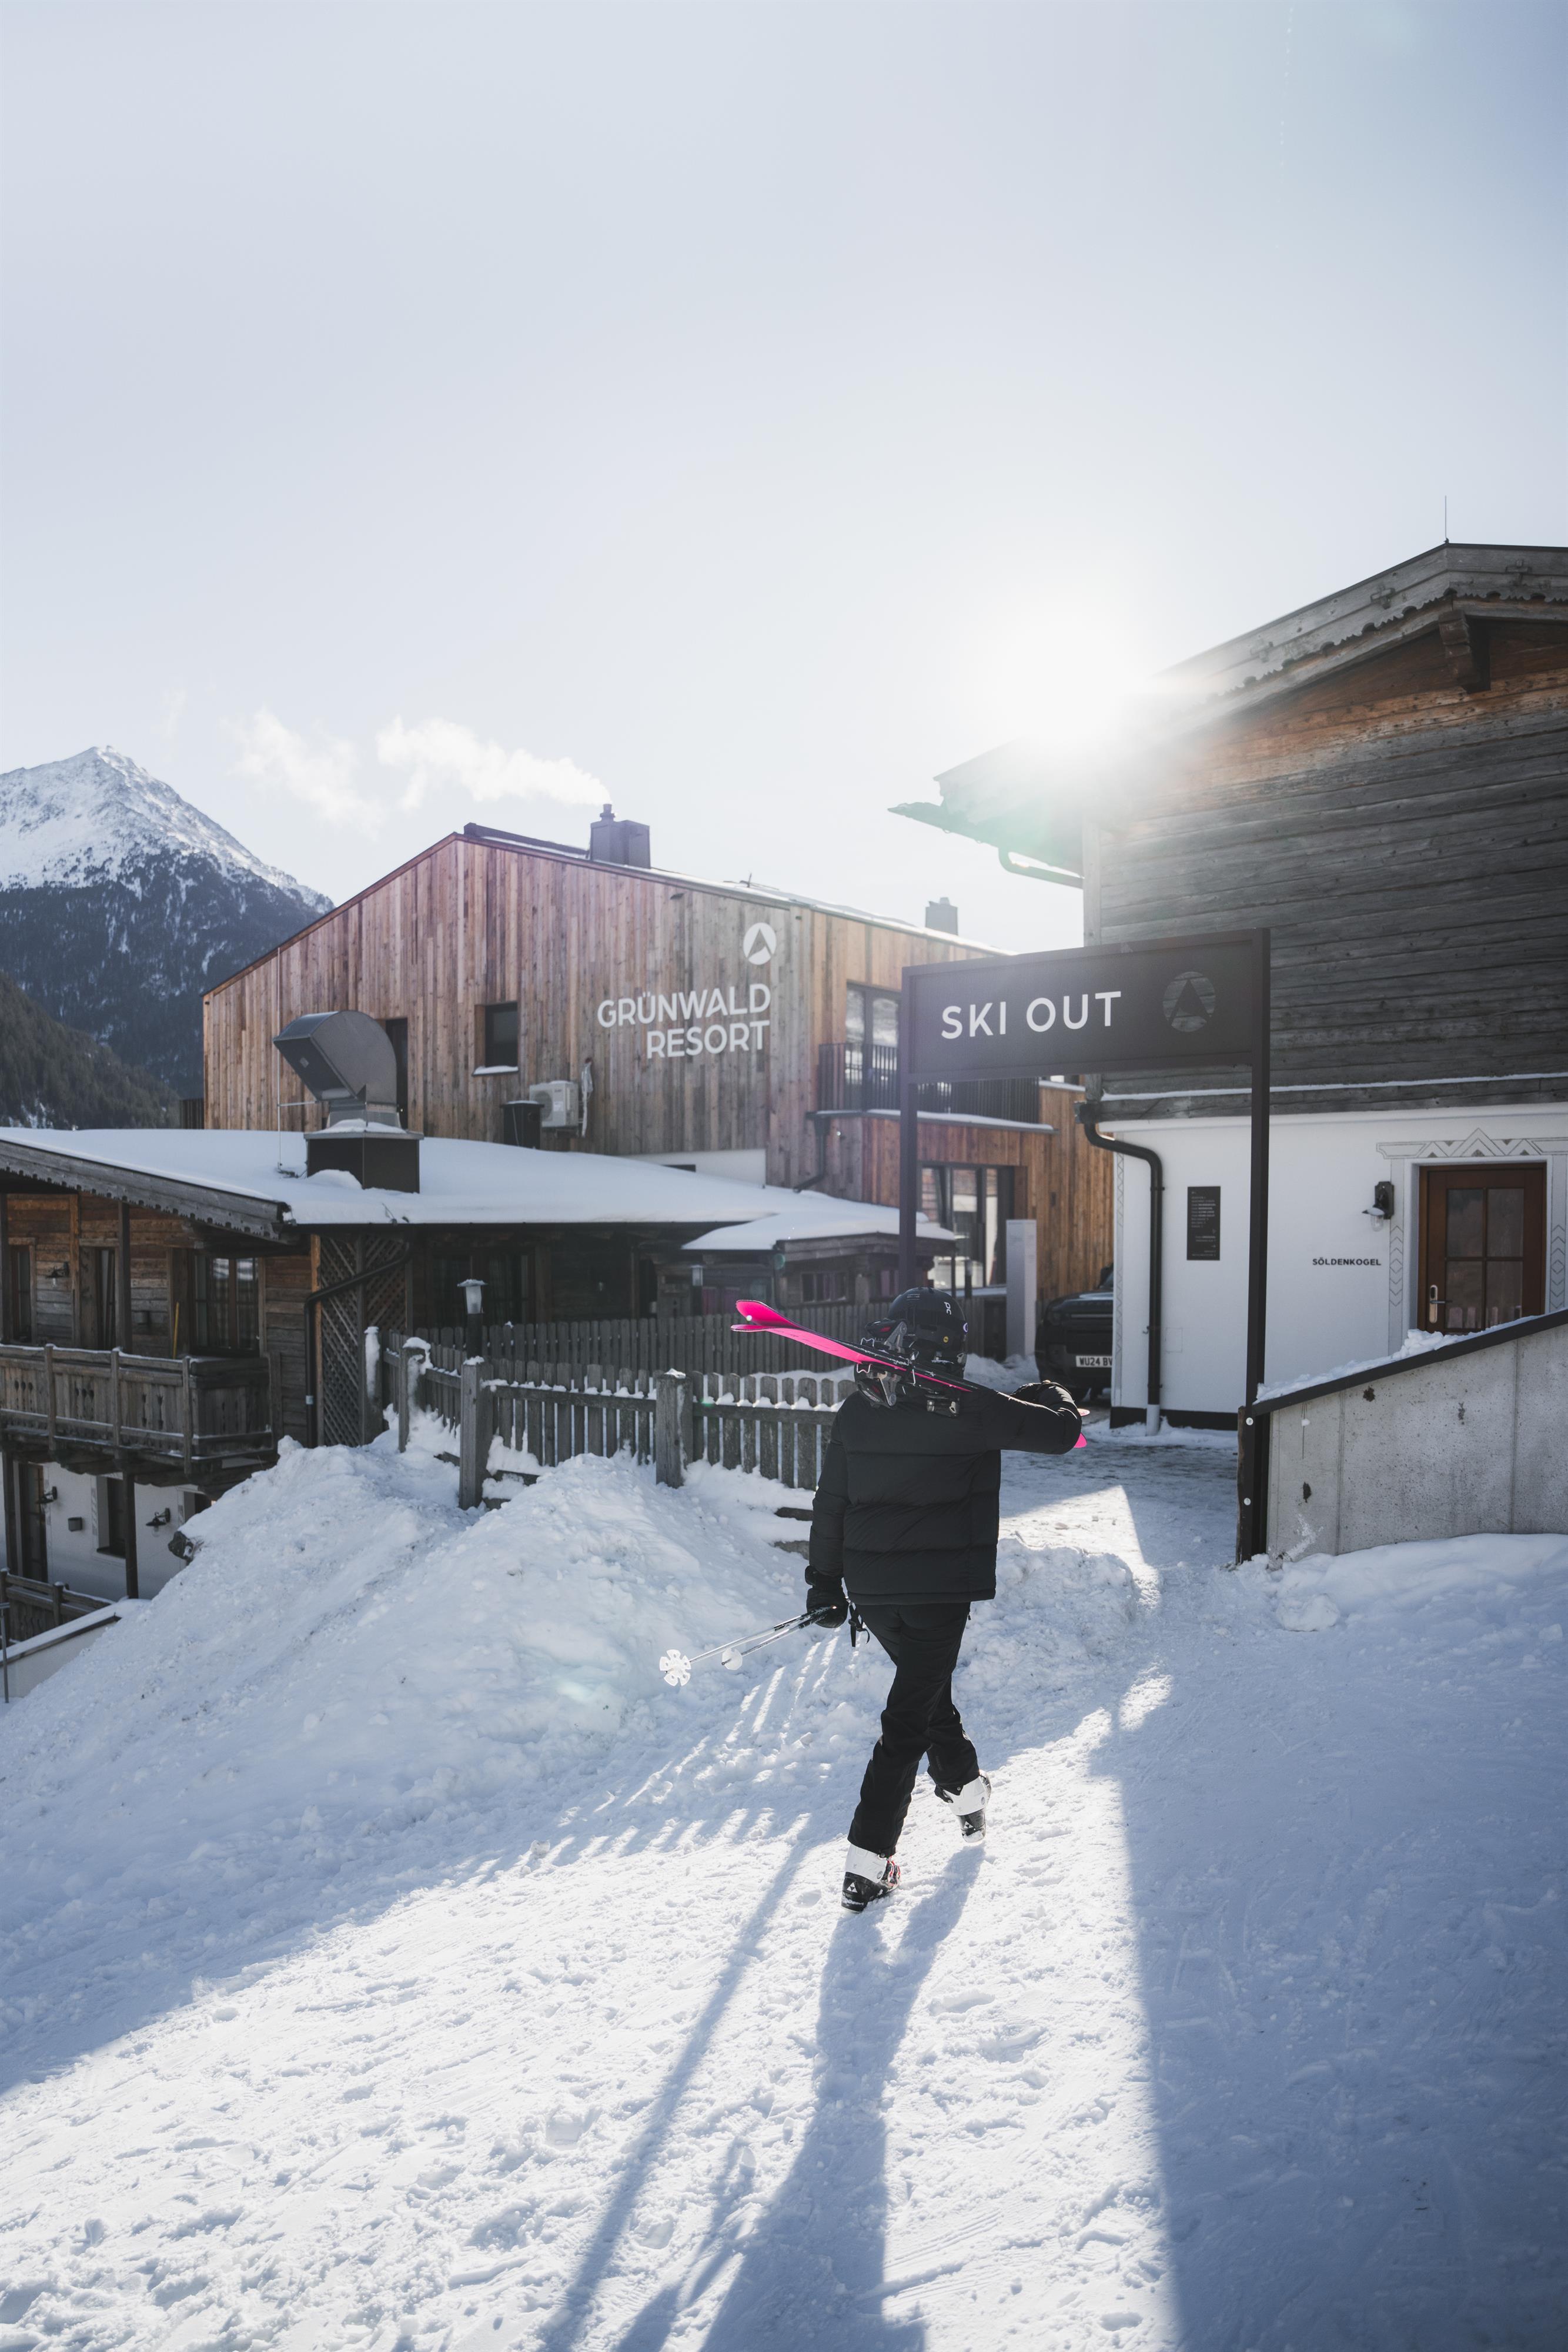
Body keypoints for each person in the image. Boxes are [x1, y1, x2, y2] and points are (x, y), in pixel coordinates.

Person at [806, 1287, 1082, 1912]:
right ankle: (867, 1863)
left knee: (924, 1695)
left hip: (872, 1591)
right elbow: (1062, 1433)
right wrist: (1051, 1393)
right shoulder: (971, 1408)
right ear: (950, 1346)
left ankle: (965, 1790)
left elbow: (831, 1502)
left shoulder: (858, 1408)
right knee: (906, 1720)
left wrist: (824, 1582)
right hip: (936, 1594)